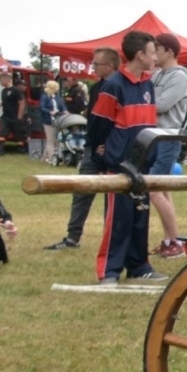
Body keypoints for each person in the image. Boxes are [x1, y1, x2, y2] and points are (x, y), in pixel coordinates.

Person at [88, 32, 166, 286]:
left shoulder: (148, 84)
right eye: (152, 52)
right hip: (119, 165)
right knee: (117, 220)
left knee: (139, 216)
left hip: (142, 163)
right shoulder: (114, 85)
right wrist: (102, 152)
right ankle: (109, 270)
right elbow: (99, 123)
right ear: (140, 55)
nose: (156, 57)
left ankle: (139, 265)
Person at [44, 47, 118, 251]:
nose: (93, 67)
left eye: (97, 64)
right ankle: (72, 237)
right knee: (82, 191)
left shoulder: (119, 87)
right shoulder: (96, 88)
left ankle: (111, 239)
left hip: (113, 150)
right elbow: (94, 119)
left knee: (112, 197)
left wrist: (109, 145)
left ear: (110, 65)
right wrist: (92, 145)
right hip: (92, 148)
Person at [148, 33, 187, 258]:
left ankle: (176, 241)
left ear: (170, 52)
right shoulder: (157, 75)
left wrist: (145, 101)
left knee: (153, 189)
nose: (154, 54)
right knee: (163, 189)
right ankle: (169, 239)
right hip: (154, 136)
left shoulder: (179, 76)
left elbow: (161, 104)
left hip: (169, 136)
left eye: (157, 49)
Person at [0, 74, 30, 152]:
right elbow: (7, 102)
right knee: (1, 133)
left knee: (19, 135)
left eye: (1, 80)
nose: (0, 82)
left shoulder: (16, 91)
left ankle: (22, 150)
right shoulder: (3, 91)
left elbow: (22, 103)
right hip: (6, 117)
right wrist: (1, 104)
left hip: (15, 117)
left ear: (8, 79)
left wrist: (19, 117)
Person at [38, 80, 66, 165]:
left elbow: (62, 106)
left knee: (55, 140)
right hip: (48, 121)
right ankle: (51, 158)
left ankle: (44, 158)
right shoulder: (44, 97)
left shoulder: (58, 98)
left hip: (57, 120)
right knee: (50, 139)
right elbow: (42, 107)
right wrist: (50, 111)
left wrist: (66, 111)